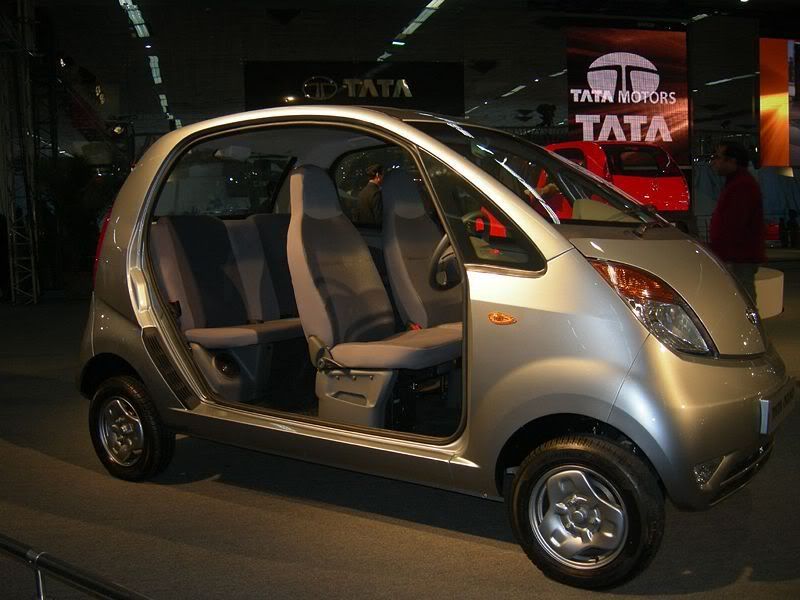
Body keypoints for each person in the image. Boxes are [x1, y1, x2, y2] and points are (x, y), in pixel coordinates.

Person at [709, 140, 765, 305]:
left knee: (743, 304)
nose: (714, 162)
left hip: (738, 258)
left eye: (718, 157)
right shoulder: (738, 183)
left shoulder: (742, 186)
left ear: (732, 161)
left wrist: (722, 253)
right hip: (736, 257)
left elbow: (734, 226)